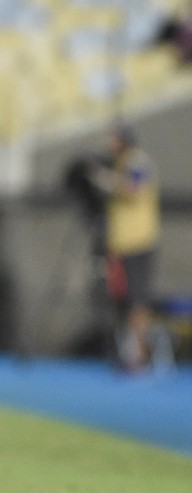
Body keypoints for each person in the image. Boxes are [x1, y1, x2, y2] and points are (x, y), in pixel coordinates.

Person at [90, 124, 162, 372]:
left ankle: (139, 357)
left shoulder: (136, 162)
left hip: (138, 243)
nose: (109, 143)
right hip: (120, 245)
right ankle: (127, 353)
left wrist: (109, 182)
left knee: (137, 300)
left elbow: (136, 189)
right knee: (121, 300)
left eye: (114, 139)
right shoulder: (120, 164)